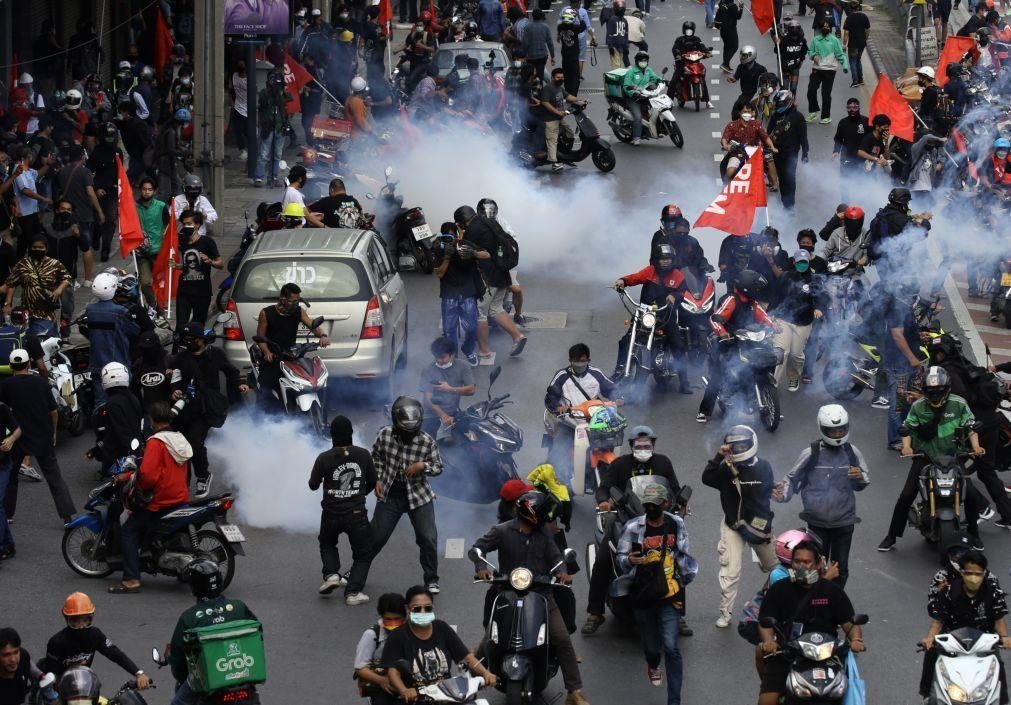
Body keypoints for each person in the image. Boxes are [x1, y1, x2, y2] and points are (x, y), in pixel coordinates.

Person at [471, 492, 587, 705]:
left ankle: (573, 692)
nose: (547, 518)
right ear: (532, 514)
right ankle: (471, 674)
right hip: (506, 594)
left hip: (541, 595)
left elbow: (555, 558)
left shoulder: (544, 533)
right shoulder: (502, 531)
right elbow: (477, 548)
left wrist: (562, 571)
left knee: (562, 639)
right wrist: (481, 566)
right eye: (543, 514)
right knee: (489, 639)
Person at [584, 426, 683, 635]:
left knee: (677, 562)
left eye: (647, 445)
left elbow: (674, 488)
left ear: (653, 446)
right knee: (603, 562)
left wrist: (680, 503)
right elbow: (604, 487)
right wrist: (603, 501)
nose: (643, 449)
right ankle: (595, 613)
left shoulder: (663, 463)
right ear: (631, 447)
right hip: (625, 520)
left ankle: (678, 613)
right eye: (638, 446)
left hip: (657, 520)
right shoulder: (620, 464)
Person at [879, 366, 987, 551]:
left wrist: (976, 447)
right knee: (906, 496)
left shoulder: (959, 404)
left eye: (939, 390)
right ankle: (892, 536)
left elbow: (970, 427)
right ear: (925, 390)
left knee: (970, 496)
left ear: (947, 389)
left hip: (953, 457)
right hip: (925, 456)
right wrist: (906, 447)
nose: (935, 394)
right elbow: (908, 428)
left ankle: (973, 532)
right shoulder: (918, 406)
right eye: (931, 391)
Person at [614, 484, 697, 705]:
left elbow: (683, 554)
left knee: (671, 646)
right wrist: (630, 560)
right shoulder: (633, 527)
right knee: (652, 647)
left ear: (665, 504)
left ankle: (674, 700)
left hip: (669, 594)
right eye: (647, 504)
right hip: (642, 595)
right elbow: (621, 559)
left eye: (655, 504)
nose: (650, 508)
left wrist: (683, 579)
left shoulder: (676, 524)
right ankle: (652, 664)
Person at [756, 541, 865, 705]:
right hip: (788, 654)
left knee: (844, 696)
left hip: (827, 656)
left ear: (819, 564)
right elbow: (765, 623)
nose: (801, 566)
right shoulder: (779, 589)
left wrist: (856, 639)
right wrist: (769, 642)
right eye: (797, 561)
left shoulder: (832, 591)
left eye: (806, 562)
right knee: (768, 700)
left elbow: (850, 623)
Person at [773, 405, 868, 586]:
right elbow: (792, 479)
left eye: (841, 429)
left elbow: (862, 481)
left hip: (844, 521)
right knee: (815, 567)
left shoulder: (852, 452)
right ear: (823, 429)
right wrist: (782, 494)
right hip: (816, 523)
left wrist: (860, 477)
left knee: (841, 569)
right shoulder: (811, 453)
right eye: (832, 431)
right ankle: (815, 602)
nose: (837, 434)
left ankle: (834, 602)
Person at [107, 401, 191, 594]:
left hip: (162, 501)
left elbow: (148, 475)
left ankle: (131, 580)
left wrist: (135, 484)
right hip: (180, 497)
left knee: (129, 529)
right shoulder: (179, 439)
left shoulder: (156, 442)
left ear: (152, 420)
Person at [702, 425, 777, 627]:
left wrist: (766, 528)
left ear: (752, 444)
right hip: (733, 525)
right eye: (734, 446)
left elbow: (768, 498)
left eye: (743, 444)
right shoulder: (726, 469)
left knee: (777, 569)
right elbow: (707, 478)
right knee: (730, 571)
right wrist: (718, 456)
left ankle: (770, 603)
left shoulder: (764, 467)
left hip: (758, 526)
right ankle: (725, 613)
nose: (739, 448)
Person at [369, 397, 443, 592]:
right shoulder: (384, 435)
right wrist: (377, 478)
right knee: (375, 538)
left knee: (427, 538)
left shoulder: (427, 441)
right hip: (390, 496)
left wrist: (422, 466)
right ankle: (356, 571)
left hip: (418, 496)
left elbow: (438, 467)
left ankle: (432, 579)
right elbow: (375, 457)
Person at [920, 549, 1011, 702]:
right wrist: (929, 639)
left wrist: (1005, 638)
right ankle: (928, 695)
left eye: (978, 574)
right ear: (962, 573)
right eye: (969, 573)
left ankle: (1002, 700)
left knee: (998, 668)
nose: (973, 578)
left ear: (984, 573)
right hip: (951, 645)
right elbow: (938, 621)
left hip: (984, 645)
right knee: (931, 656)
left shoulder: (993, 592)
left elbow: (999, 620)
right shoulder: (948, 591)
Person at [381, 585, 499, 703]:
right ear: (408, 608)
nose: (423, 612)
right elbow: (393, 672)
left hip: (448, 694)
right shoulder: (398, 636)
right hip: (417, 698)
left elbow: (467, 656)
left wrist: (486, 673)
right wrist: (404, 690)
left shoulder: (442, 628)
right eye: (417, 608)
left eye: (427, 608)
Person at [170, 323, 248, 498]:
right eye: (186, 340)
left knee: (195, 443)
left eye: (192, 340)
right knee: (180, 445)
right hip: (186, 407)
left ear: (201, 340)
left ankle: (203, 476)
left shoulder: (216, 355)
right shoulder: (181, 357)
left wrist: (241, 384)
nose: (189, 343)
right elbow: (175, 375)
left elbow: (231, 372)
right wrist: (175, 389)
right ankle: (182, 482)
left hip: (206, 408)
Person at [0, 349, 75, 524]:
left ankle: (7, 514)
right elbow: (54, 411)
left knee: (11, 477)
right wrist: (54, 432)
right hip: (42, 436)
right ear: (29, 364)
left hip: (18, 438)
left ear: (11, 366)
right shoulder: (41, 383)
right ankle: (67, 517)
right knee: (54, 478)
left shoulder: (6, 385)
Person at [167, 560, 257, 705]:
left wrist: (185, 676)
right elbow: (257, 634)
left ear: (194, 586)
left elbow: (178, 660)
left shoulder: (189, 617)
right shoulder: (239, 607)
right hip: (242, 675)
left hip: (207, 682)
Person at [309, 415, 376, 606]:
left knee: (328, 543)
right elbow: (372, 481)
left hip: (331, 513)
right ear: (351, 433)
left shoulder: (324, 458)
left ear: (331, 435)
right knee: (363, 553)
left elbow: (313, 485)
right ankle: (353, 592)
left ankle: (331, 575)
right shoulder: (363, 455)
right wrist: (358, 493)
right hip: (356, 514)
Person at [697, 270, 774, 422]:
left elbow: (763, 317)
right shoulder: (731, 299)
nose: (758, 290)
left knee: (759, 365)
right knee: (718, 376)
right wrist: (723, 333)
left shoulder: (752, 303)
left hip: (746, 341)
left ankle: (755, 402)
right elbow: (714, 319)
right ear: (747, 287)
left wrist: (774, 325)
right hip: (728, 342)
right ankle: (704, 411)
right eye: (756, 287)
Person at [452, 206, 527, 361]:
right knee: (496, 308)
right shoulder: (489, 222)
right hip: (501, 274)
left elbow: (465, 253)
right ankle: (517, 336)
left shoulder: (473, 231)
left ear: (463, 222)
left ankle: (484, 350)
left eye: (460, 224)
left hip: (487, 279)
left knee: (479, 313)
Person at [612, 244, 690, 391]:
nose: (665, 261)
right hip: (645, 313)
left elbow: (683, 292)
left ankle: (684, 381)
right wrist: (623, 281)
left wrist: (674, 296)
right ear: (657, 259)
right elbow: (635, 277)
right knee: (625, 341)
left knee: (678, 346)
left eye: (668, 258)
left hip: (666, 316)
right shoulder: (650, 271)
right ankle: (618, 371)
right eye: (662, 258)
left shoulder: (678, 276)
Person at [545, 343, 620, 484]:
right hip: (569, 424)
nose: (579, 363)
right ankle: (553, 484)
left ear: (588, 360)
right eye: (575, 360)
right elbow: (550, 397)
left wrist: (618, 398)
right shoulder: (562, 376)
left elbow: (610, 388)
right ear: (570, 360)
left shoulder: (596, 374)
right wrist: (558, 407)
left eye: (582, 360)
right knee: (558, 453)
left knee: (610, 442)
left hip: (594, 422)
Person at [40, 593, 150, 687]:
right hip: (58, 687)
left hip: (82, 685)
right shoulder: (57, 642)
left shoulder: (95, 635)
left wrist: (138, 673)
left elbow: (116, 654)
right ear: (67, 619)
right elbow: (52, 673)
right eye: (76, 621)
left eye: (85, 620)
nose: (81, 626)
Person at [253, 282, 329, 409]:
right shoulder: (266, 313)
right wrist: (267, 353)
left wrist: (323, 336)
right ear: (283, 299)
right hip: (273, 356)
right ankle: (260, 418)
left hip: (291, 355)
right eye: (293, 301)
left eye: (298, 301)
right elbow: (260, 337)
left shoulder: (299, 311)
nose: (296, 304)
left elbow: (312, 325)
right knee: (265, 388)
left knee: (309, 380)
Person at [770, 250, 826, 390]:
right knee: (781, 352)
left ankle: (794, 377)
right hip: (784, 319)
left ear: (807, 263)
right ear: (794, 262)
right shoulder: (786, 277)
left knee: (796, 355)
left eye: (804, 262)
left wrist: (818, 308)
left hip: (803, 322)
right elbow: (777, 296)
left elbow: (820, 297)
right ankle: (771, 385)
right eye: (799, 262)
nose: (802, 265)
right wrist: (770, 314)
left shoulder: (815, 279)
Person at [82, 273, 139, 408]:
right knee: (124, 401)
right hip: (119, 363)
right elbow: (134, 331)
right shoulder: (120, 311)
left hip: (97, 363)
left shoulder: (90, 310)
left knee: (101, 402)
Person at [3, 235, 71, 339]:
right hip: (26, 312)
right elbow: (11, 283)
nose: (37, 250)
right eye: (34, 247)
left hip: (45, 311)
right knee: (26, 341)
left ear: (46, 248)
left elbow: (67, 278)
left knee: (44, 340)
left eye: (41, 247)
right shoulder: (23, 264)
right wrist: (8, 303)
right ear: (30, 248)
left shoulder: (54, 264)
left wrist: (59, 289)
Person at [86, 362, 143, 477]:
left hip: (123, 456)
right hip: (137, 448)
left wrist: (97, 450)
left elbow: (115, 433)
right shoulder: (133, 398)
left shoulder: (112, 403)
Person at [171, 209, 222, 331]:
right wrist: (176, 265)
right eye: (184, 224)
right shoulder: (181, 241)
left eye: (189, 223)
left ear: (197, 225)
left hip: (202, 292)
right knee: (181, 326)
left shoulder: (207, 242)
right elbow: (186, 266)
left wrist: (210, 261)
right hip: (184, 291)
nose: (186, 227)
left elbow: (220, 264)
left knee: (197, 326)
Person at [354, 592, 408, 703]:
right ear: (381, 617)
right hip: (382, 691)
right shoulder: (371, 635)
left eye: (397, 619)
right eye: (388, 619)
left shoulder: (413, 632)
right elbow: (360, 668)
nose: (393, 623)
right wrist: (381, 680)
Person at [420, 337, 476, 436]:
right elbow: (428, 398)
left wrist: (450, 389)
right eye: (436, 357)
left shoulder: (463, 366)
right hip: (431, 415)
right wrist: (443, 416)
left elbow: (471, 390)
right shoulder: (428, 370)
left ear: (452, 354)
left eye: (443, 357)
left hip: (453, 413)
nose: (439, 360)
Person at [766, 90, 808, 211]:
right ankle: (785, 201)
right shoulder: (776, 116)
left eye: (780, 104)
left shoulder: (798, 117)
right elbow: (768, 132)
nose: (778, 107)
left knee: (790, 179)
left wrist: (805, 153)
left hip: (791, 154)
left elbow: (803, 137)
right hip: (777, 152)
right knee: (782, 179)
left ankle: (790, 205)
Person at [134, 178, 168, 312]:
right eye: (144, 189)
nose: (147, 192)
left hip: (158, 250)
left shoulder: (161, 206)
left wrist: (164, 235)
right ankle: (152, 304)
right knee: (145, 282)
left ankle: (161, 306)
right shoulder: (134, 207)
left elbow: (168, 223)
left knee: (159, 282)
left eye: (149, 189)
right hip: (141, 251)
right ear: (140, 190)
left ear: (154, 191)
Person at [254, 69, 292, 188]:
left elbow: (290, 98)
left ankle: (274, 177)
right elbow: (262, 100)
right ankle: (259, 178)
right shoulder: (265, 93)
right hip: (268, 126)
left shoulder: (281, 93)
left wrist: (282, 88)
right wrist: (271, 89)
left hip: (279, 127)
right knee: (264, 154)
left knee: (277, 154)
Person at [623, 51, 662, 146]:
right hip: (633, 98)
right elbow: (626, 86)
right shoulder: (631, 72)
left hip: (646, 96)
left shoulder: (648, 70)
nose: (643, 62)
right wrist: (633, 93)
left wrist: (662, 80)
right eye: (641, 60)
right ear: (637, 61)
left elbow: (655, 78)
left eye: (645, 60)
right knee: (638, 116)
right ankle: (636, 138)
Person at [0, 627, 49, 704]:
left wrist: (40, 675)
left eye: (16, 652)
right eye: (6, 655)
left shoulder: (23, 655)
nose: (13, 659)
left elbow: (29, 664)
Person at [0, 399, 20, 561]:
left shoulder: (2, 408)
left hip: (3, 464)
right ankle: (8, 544)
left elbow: (17, 429)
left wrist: (11, 439)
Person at [170, 174, 218, 239]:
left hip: (199, 235)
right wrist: (181, 212)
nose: (194, 190)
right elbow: (170, 216)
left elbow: (214, 216)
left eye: (197, 187)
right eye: (191, 187)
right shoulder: (178, 200)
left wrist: (205, 216)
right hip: (181, 234)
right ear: (184, 188)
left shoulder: (203, 200)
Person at [841, 3, 870, 87]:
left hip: (853, 44)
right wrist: (865, 38)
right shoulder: (864, 17)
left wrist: (844, 44)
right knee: (858, 60)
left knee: (853, 61)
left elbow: (846, 33)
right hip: (862, 43)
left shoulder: (849, 18)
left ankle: (855, 81)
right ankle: (860, 79)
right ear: (858, 8)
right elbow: (867, 30)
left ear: (851, 8)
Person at [777, 21, 807, 94]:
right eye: (792, 28)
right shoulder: (783, 39)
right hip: (785, 66)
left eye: (796, 28)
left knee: (793, 88)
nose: (794, 30)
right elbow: (777, 51)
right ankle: (783, 101)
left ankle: (792, 101)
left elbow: (804, 51)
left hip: (795, 66)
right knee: (785, 88)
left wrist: (801, 60)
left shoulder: (802, 40)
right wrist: (777, 43)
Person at [715, 0, 744, 73]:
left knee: (727, 46)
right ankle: (725, 63)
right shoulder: (733, 6)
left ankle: (726, 65)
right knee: (734, 47)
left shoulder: (722, 3)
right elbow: (738, 16)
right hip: (731, 30)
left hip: (722, 29)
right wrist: (741, 8)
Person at [605, 2, 629, 69]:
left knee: (618, 65)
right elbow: (609, 34)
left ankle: (616, 78)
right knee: (616, 66)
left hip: (621, 47)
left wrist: (626, 47)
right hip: (614, 47)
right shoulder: (613, 19)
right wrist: (610, 47)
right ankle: (615, 78)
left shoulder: (624, 20)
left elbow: (626, 34)